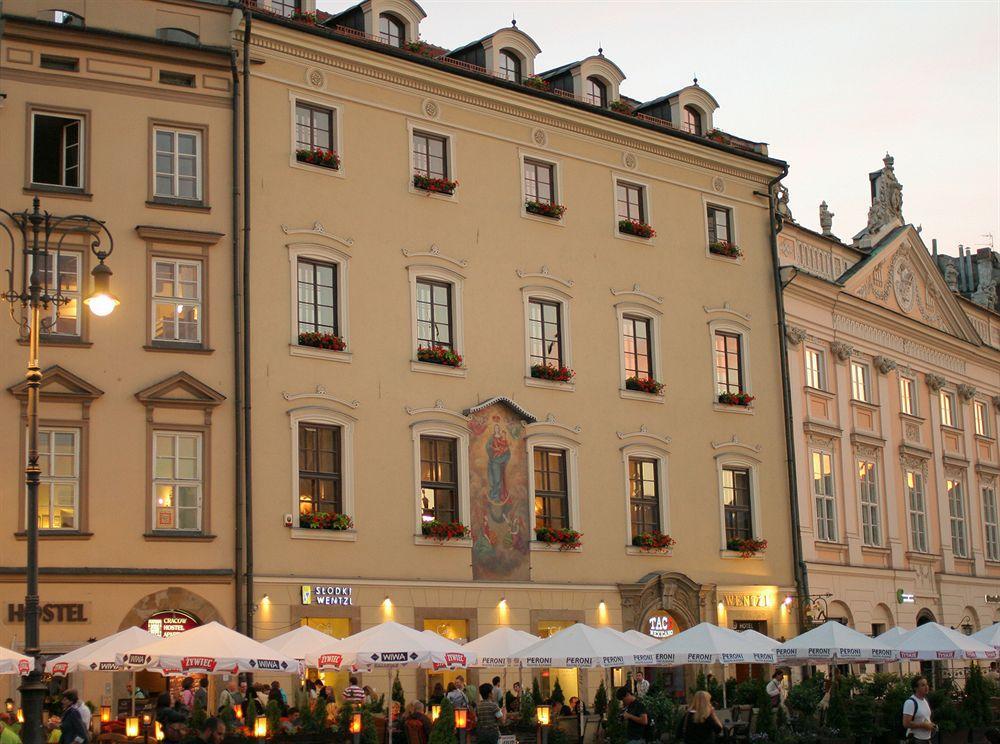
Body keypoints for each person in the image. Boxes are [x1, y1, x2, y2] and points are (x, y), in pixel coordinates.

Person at [902, 676, 937, 742]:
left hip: (927, 739)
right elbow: (906, 723)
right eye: (923, 685)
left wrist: (931, 725)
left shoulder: (925, 701)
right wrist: (923, 725)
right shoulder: (910, 703)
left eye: (927, 684)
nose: (926, 687)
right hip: (916, 739)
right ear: (915, 688)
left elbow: (924, 718)